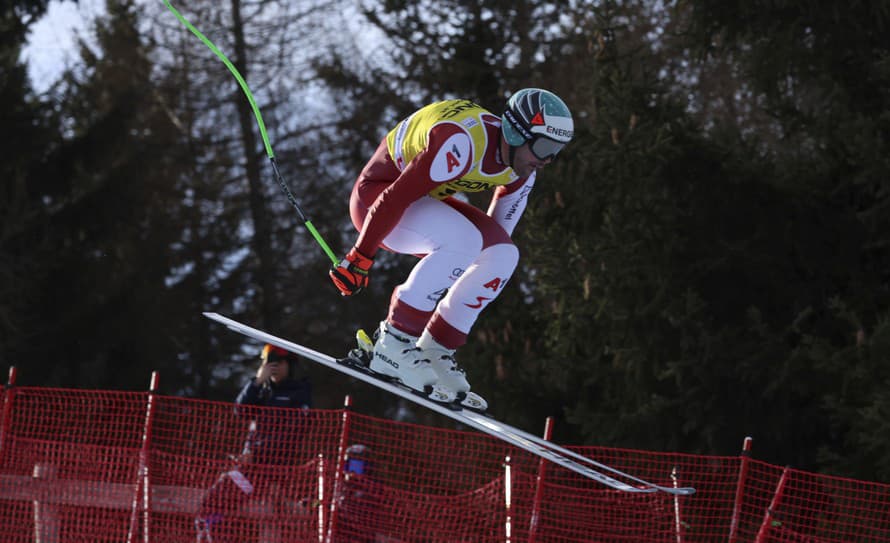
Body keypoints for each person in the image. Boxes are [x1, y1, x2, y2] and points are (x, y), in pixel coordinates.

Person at [329, 88, 574, 410]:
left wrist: (468, 281)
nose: (546, 160)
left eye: (555, 151)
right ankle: (394, 341)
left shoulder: (521, 169)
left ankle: (436, 349)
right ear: (516, 132)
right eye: (543, 146)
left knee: (503, 254)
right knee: (465, 241)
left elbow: (496, 240)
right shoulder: (462, 140)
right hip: (376, 199)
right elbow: (396, 197)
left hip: (423, 203)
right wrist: (359, 258)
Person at [195, 344, 312, 542]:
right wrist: (257, 382)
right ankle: (213, 532)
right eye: (270, 363)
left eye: (279, 363)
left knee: (218, 499)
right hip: (251, 468)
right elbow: (241, 411)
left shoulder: (299, 393)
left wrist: (256, 453)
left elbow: (292, 435)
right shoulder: (263, 391)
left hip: (271, 471)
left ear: (289, 365)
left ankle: (217, 532)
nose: (274, 367)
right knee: (214, 502)